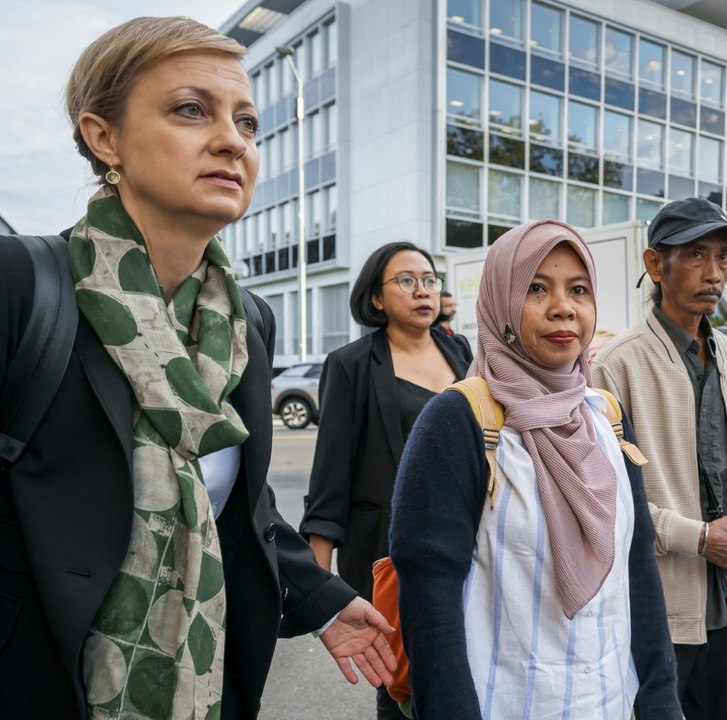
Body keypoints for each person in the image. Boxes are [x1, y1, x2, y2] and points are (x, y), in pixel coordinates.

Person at [0, 18, 394, 719]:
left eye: (247, 122)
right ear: (104, 138)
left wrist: (322, 599)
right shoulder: (21, 287)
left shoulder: (246, 322)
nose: (232, 141)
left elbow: (236, 504)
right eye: (190, 110)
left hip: (204, 686)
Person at [388, 220, 681, 719]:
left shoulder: (605, 416)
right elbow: (430, 601)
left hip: (609, 702)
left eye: (579, 290)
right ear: (501, 302)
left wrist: (661, 700)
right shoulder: (458, 421)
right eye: (537, 288)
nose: (563, 307)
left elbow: (637, 568)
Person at [591, 197, 727, 720]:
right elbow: (603, 502)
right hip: (656, 609)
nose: (714, 273)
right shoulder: (616, 366)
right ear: (656, 264)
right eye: (696, 254)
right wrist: (700, 538)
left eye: (723, 256)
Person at [301, 241, 472, 718]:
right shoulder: (351, 364)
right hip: (390, 553)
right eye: (406, 281)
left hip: (466, 540)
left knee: (462, 674)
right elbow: (330, 474)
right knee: (401, 683)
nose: (423, 291)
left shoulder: (459, 350)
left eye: (430, 280)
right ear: (376, 297)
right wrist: (319, 591)